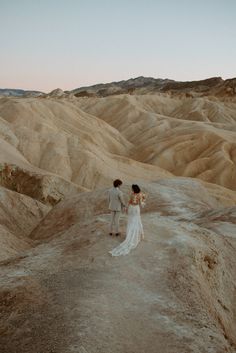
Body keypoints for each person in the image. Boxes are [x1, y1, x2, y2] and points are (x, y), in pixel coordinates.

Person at [109, 184, 146, 256]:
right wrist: (143, 200)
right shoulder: (141, 194)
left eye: (132, 188)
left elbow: (129, 201)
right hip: (136, 209)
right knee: (137, 220)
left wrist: (126, 208)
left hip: (131, 208)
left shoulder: (132, 194)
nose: (131, 189)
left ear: (134, 189)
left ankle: (129, 235)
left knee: (130, 222)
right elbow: (142, 204)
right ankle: (141, 235)